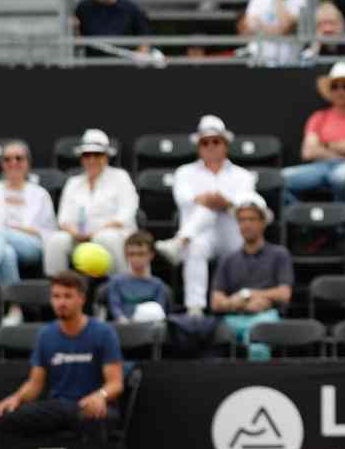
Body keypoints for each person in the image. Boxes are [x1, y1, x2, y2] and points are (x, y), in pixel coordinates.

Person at [0, 270, 123, 440]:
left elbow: (115, 383)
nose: (61, 302)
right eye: (56, 296)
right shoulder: (46, 335)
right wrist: (16, 398)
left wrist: (100, 396)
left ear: (81, 299)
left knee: (92, 417)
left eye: (68, 296)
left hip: (92, 406)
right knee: (6, 417)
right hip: (58, 407)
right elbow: (35, 384)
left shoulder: (103, 333)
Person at [153, 116, 256, 316]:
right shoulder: (184, 172)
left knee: (210, 209)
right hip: (201, 236)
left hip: (232, 234)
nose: (211, 147)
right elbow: (183, 199)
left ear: (225, 145)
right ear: (199, 147)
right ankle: (195, 308)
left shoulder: (243, 175)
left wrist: (225, 203)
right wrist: (210, 200)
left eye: (216, 141)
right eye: (205, 143)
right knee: (198, 241)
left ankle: (179, 241)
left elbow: (246, 205)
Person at [0, 140, 57, 325]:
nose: (13, 163)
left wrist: (8, 230)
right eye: (7, 159)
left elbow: (48, 233)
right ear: (2, 164)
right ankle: (15, 309)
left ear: (28, 163)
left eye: (19, 158)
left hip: (29, 245)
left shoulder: (40, 194)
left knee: (0, 232)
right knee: (5, 251)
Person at [209, 194, 294, 361]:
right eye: (242, 220)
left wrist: (248, 294)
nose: (246, 224)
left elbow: (284, 293)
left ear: (263, 223)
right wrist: (236, 303)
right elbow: (216, 301)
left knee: (259, 336)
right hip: (234, 317)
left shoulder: (279, 254)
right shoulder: (228, 259)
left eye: (252, 219)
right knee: (211, 335)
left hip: (266, 315)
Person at [44, 129, 137, 279]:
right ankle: (59, 286)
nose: (92, 160)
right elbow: (63, 219)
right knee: (56, 240)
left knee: (106, 237)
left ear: (106, 157)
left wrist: (96, 232)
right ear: (82, 158)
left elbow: (125, 214)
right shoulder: (73, 183)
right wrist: (76, 233)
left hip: (115, 235)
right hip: (79, 237)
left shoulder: (121, 177)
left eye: (97, 155)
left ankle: (122, 284)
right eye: (87, 155)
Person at [281, 62, 345, 206]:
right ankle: (302, 214)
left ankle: (341, 218)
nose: (340, 91)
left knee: (339, 178)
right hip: (320, 167)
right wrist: (344, 150)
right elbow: (308, 152)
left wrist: (325, 145)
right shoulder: (318, 117)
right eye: (335, 86)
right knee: (280, 179)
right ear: (330, 92)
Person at [240, 0, 307, 67]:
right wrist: (277, 31)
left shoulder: (302, 0)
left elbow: (286, 26)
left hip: (289, 64)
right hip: (259, 62)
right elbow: (249, 28)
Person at [106, 231, 172, 323]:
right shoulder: (115, 282)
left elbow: (159, 314)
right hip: (123, 328)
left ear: (151, 255)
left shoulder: (159, 285)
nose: (136, 258)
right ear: (126, 255)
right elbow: (116, 310)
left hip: (151, 328)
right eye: (131, 254)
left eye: (141, 254)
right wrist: (125, 323)